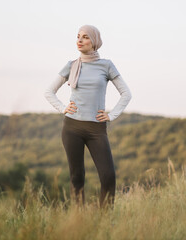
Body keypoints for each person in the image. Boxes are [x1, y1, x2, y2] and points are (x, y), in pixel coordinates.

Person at [44, 25, 132, 208]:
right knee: (77, 178)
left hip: (96, 129)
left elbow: (126, 93)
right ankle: (79, 222)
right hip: (72, 127)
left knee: (108, 176)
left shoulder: (106, 65)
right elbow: (49, 91)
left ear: (94, 42)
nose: (80, 40)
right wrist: (63, 108)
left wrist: (112, 115)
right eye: (78, 36)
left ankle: (104, 220)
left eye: (85, 37)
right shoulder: (71, 65)